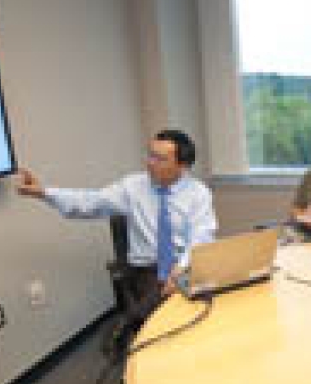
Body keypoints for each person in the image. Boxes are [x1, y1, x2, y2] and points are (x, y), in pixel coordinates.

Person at [15, 129, 216, 336]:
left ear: (182, 166)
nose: (150, 163)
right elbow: (91, 201)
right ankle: (135, 327)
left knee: (207, 304)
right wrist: (44, 193)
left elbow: (202, 235)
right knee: (164, 310)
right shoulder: (132, 186)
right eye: (150, 155)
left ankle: (129, 321)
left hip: (184, 263)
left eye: (160, 159)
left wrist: (180, 268)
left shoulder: (198, 193)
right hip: (147, 269)